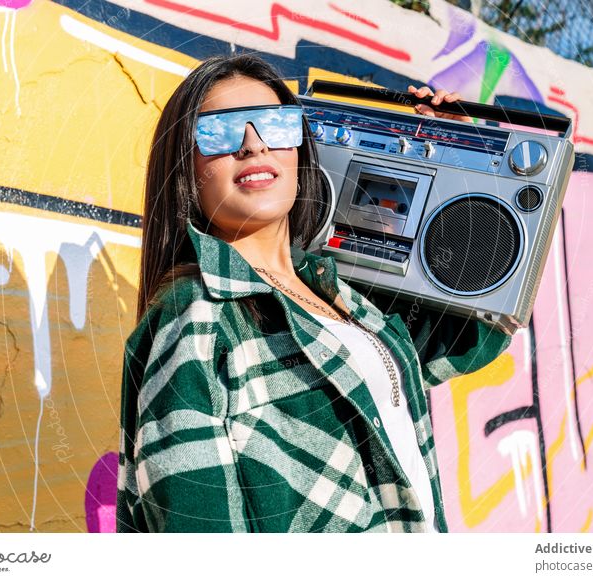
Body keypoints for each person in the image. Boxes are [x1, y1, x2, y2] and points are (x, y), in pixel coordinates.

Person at [116, 54, 511, 533]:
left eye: (275, 125)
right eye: (220, 132)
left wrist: (465, 161)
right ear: (186, 170)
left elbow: (470, 332)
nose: (253, 144)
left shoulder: (338, 296)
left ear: (300, 147)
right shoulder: (197, 315)